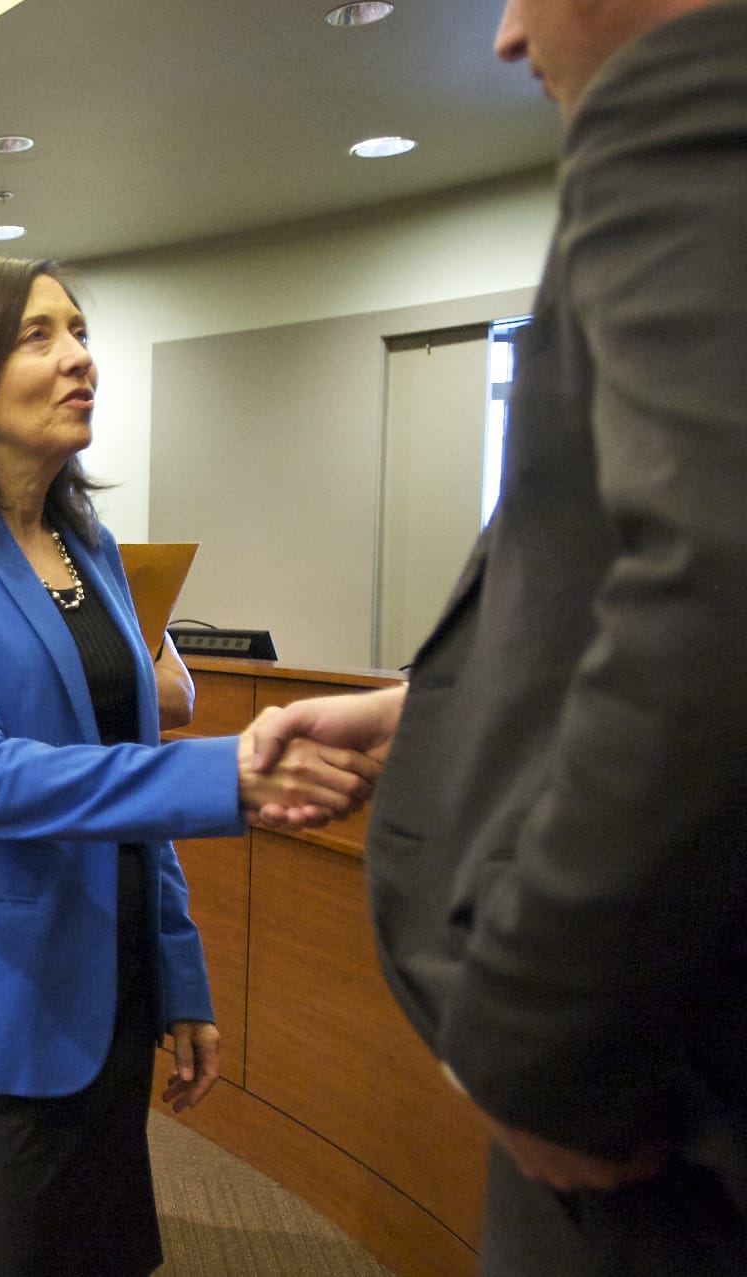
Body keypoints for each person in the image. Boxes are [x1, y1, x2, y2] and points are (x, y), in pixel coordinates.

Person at [243, 3, 747, 1272]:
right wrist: (429, 711)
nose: (506, 35)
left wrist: (528, 1045)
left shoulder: (695, 97)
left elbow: (717, 586)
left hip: (650, 1131)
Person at [0, 257, 379, 1276]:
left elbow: (125, 763)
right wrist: (227, 775)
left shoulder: (88, 541)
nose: (78, 357)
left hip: (105, 982)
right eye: (36, 335)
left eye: (78, 331)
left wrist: (178, 972)